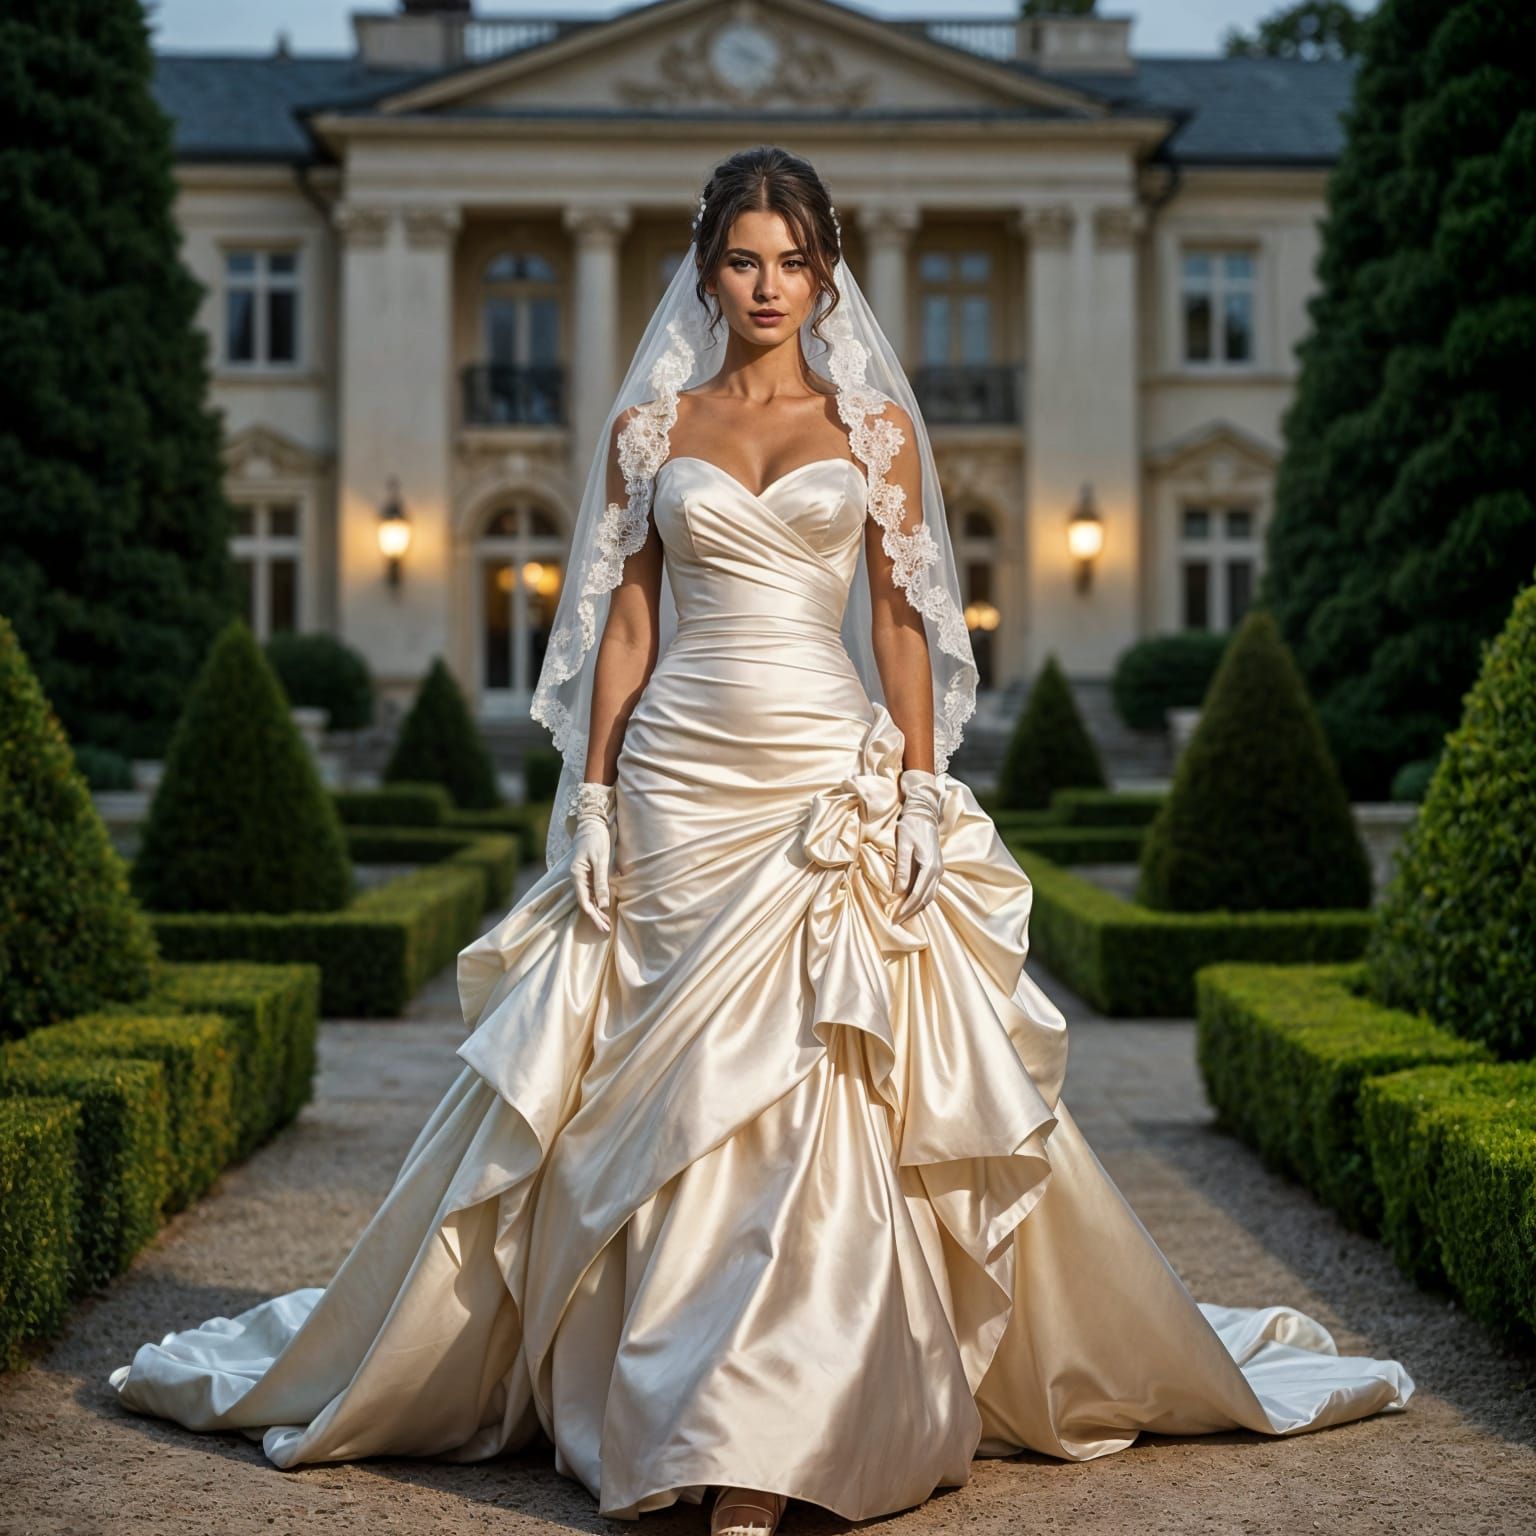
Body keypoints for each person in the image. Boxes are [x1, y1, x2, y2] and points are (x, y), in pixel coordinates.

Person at [108, 146, 1412, 1536]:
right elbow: (625, 620)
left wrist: (918, 791)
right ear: (706, 267)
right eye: (743, 258)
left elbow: (909, 624)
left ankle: (772, 1431)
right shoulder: (652, 428)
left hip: (817, 777)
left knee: (816, 1090)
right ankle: (671, 1405)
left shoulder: (878, 433)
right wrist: (597, 794)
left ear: (827, 272)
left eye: (793, 261)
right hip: (677, 779)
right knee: (665, 1106)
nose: (768, 285)